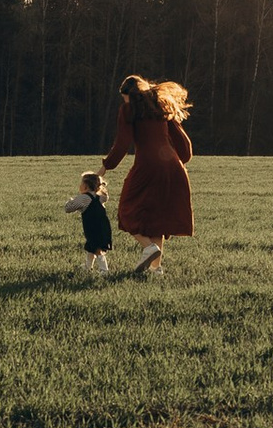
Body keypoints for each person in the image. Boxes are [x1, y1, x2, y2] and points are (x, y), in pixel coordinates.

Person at [102, 72, 193, 278]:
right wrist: (181, 160)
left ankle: (148, 248)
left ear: (127, 94)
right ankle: (156, 268)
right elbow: (184, 143)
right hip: (174, 168)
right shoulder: (159, 106)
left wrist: (107, 165)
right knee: (158, 217)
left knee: (126, 210)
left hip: (147, 166)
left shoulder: (128, 109)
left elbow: (122, 143)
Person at [62, 167, 114, 277]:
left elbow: (69, 208)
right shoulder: (99, 197)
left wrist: (69, 201)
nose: (79, 186)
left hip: (92, 228)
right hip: (103, 227)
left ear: (85, 187)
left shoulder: (83, 198)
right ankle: (87, 266)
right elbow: (105, 197)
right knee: (92, 247)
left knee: (97, 249)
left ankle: (104, 270)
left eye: (81, 183)